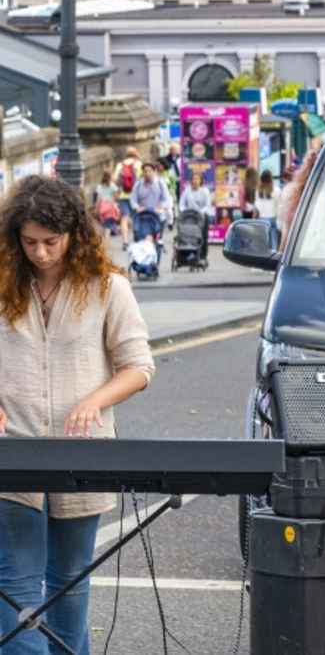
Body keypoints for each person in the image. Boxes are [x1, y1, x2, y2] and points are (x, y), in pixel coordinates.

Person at [0, 175, 155, 654]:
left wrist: (95, 400)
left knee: (69, 588)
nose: (40, 253)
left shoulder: (109, 288)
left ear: (74, 234)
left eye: (51, 241)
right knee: (15, 589)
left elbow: (138, 367)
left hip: (82, 456)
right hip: (12, 454)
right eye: (29, 242)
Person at [92, 172, 121, 238]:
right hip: (111, 208)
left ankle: (105, 239)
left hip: (103, 208)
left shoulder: (99, 186)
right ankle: (107, 239)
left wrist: (96, 209)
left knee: (104, 225)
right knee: (108, 227)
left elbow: (98, 199)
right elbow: (116, 197)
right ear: (110, 177)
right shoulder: (112, 185)